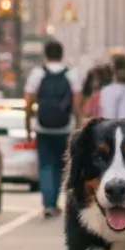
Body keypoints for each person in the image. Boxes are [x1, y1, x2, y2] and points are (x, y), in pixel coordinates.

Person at [24, 40, 83, 219]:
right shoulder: (72, 74)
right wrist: (78, 123)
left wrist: (28, 123)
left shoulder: (37, 74)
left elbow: (28, 100)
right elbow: (77, 101)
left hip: (42, 126)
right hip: (65, 127)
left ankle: (48, 203)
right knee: (60, 165)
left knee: (45, 164)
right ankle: (55, 201)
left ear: (46, 55)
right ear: (61, 54)